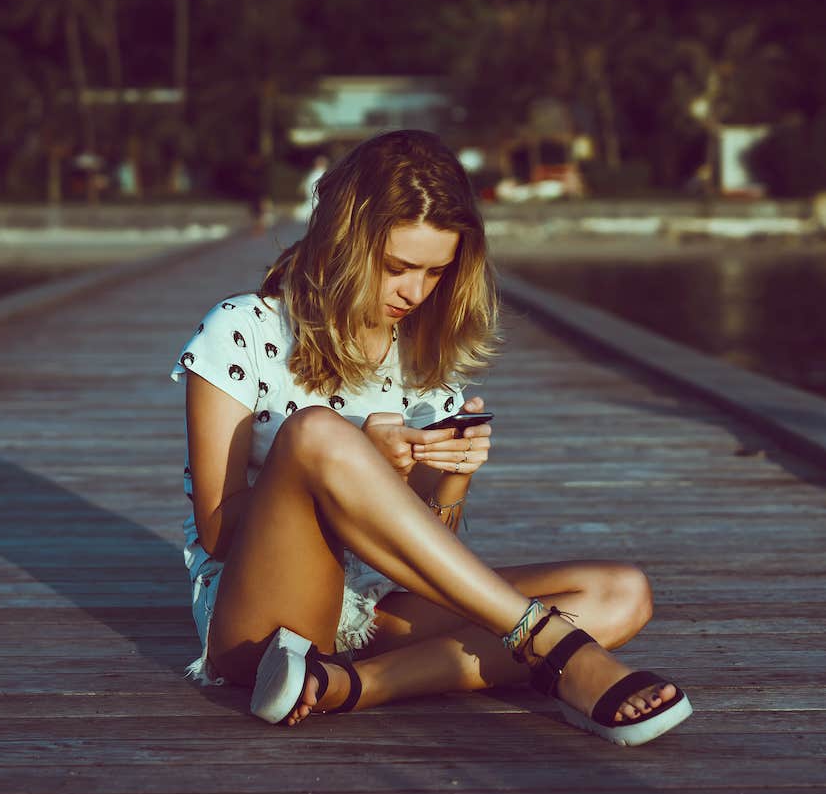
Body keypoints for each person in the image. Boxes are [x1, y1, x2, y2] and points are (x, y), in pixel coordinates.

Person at [171, 130, 692, 745]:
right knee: (314, 431)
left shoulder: (425, 372)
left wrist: (452, 473)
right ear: (345, 242)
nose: (414, 292)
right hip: (261, 622)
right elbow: (219, 532)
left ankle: (350, 686)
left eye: (434, 272)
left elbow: (424, 557)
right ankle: (550, 645)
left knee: (620, 593)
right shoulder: (241, 331)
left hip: (364, 613)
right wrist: (354, 455)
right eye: (397, 267)